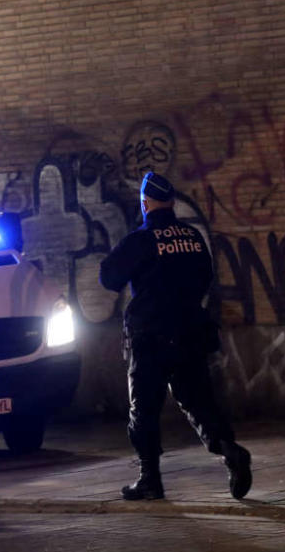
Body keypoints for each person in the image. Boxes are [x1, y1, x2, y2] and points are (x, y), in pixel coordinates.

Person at [98, 171, 252, 501]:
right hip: (190, 331)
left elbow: (108, 277)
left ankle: (149, 478)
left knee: (144, 409)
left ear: (145, 203)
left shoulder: (141, 240)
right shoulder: (193, 237)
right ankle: (229, 450)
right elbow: (206, 277)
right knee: (198, 400)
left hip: (150, 336)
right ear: (171, 202)